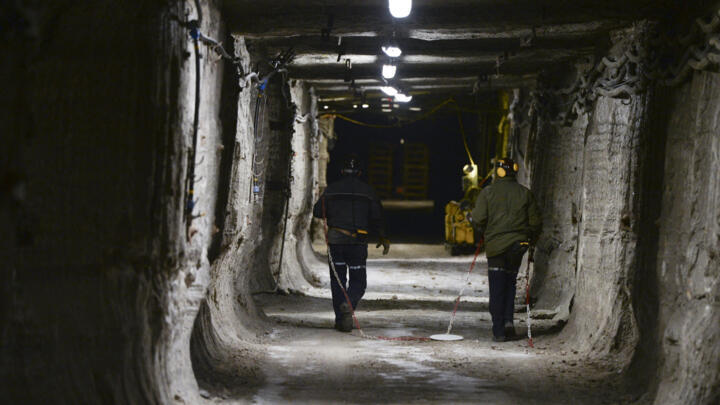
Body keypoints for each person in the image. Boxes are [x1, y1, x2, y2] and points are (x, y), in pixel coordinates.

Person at [313, 154, 390, 332]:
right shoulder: (368, 191)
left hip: (336, 240)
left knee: (338, 281)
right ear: (360, 173)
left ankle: (341, 320)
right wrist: (383, 237)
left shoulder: (331, 189)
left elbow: (318, 212)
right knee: (358, 281)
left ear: (342, 172)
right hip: (358, 242)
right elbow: (377, 216)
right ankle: (349, 305)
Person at [470, 157, 542, 342]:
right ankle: (509, 321)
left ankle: (499, 330)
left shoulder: (488, 193)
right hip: (518, 247)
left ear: (499, 172)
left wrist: (482, 229)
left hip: (496, 248)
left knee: (497, 287)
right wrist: (530, 241)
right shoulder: (525, 194)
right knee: (510, 283)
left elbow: (478, 219)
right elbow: (535, 223)